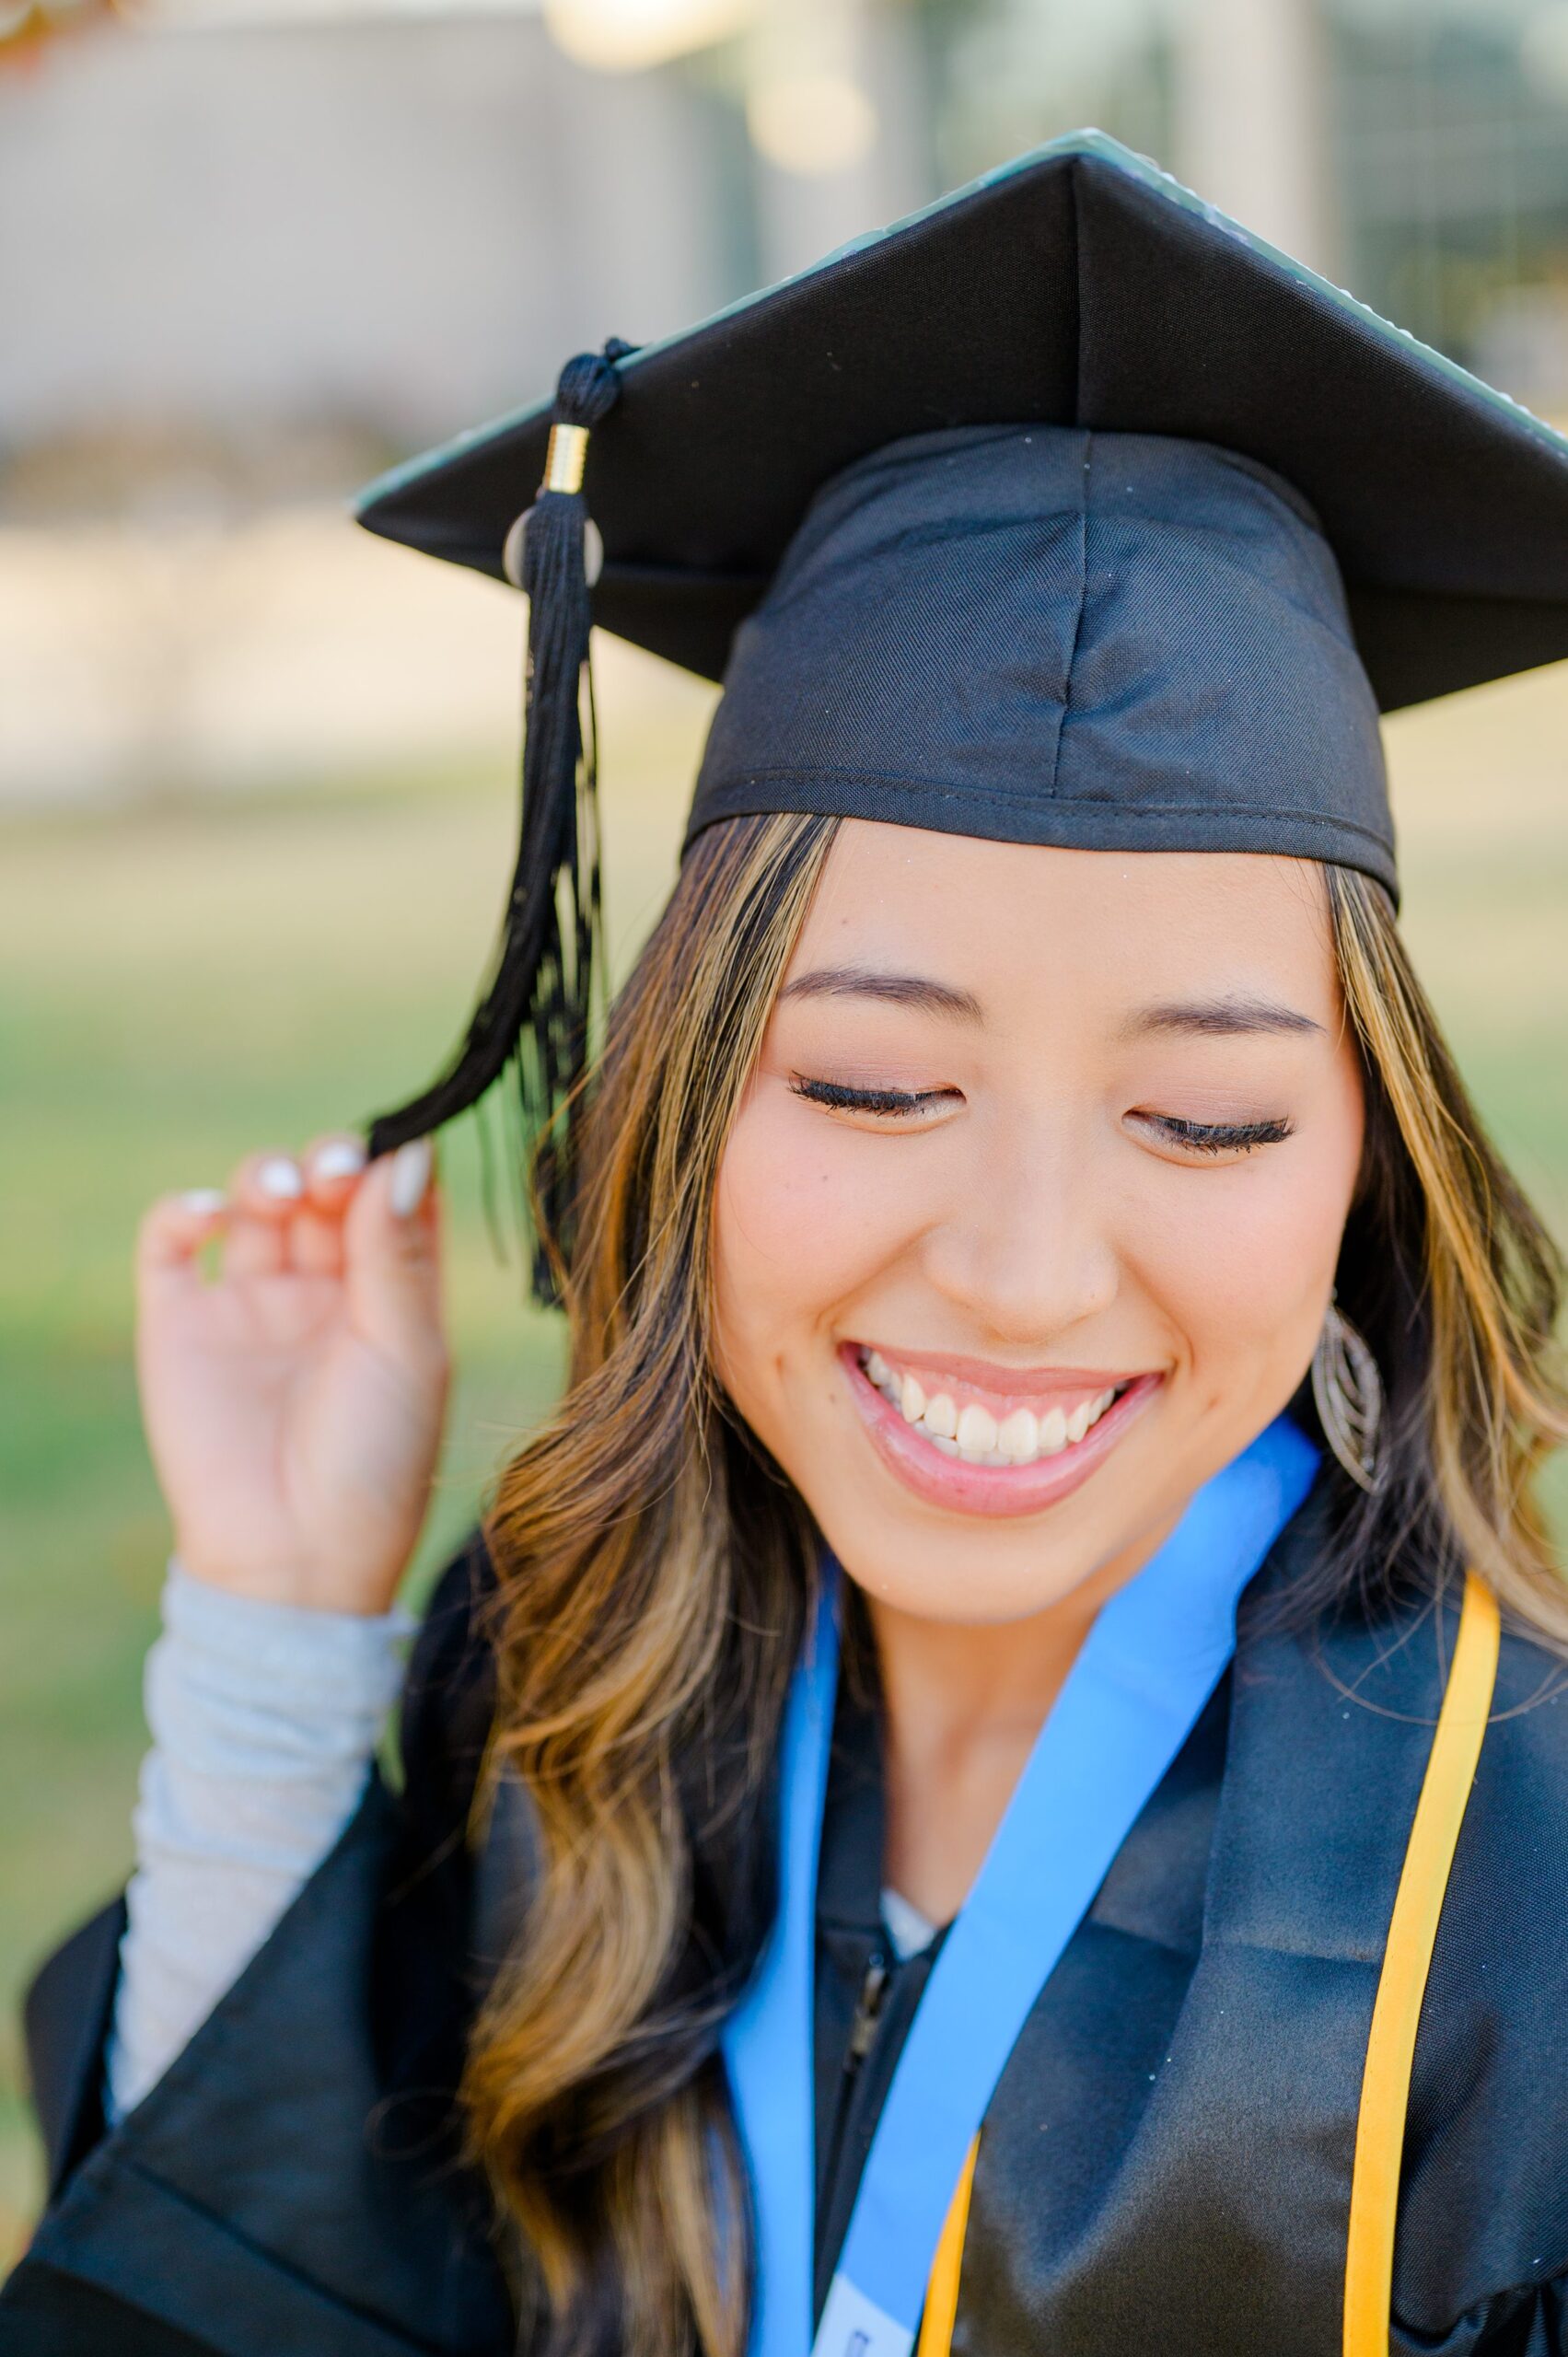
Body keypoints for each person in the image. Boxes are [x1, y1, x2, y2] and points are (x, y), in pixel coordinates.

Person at [6, 130, 1568, 2357]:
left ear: (1361, 1176)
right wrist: (276, 1630)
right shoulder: (567, 1696)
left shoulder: (1528, 1929)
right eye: (868, 1083)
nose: (1027, 1272)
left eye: (1206, 1113)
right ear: (676, 1101)